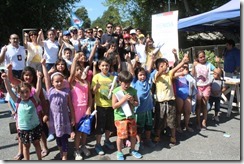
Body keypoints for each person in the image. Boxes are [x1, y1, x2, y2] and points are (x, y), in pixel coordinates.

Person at [2, 70, 43, 160]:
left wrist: (39, 78)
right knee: (26, 147)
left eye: (27, 92)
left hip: (35, 127)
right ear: (18, 93)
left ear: (30, 91)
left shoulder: (33, 99)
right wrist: (5, 80)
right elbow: (9, 89)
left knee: (37, 144)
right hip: (23, 129)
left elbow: (38, 89)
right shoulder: (17, 100)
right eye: (22, 92)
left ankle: (40, 160)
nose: (25, 94)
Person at [41, 59, 75, 160]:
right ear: (52, 82)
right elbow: (46, 78)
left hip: (64, 118)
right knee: (58, 138)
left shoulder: (66, 92)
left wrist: (72, 118)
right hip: (54, 119)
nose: (59, 83)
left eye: (61, 81)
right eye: (56, 81)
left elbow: (71, 106)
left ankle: (64, 155)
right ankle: (61, 151)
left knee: (64, 138)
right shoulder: (50, 90)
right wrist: (43, 65)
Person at [152, 54, 189, 146]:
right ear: (157, 68)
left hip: (171, 102)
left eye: (166, 65)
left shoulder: (169, 74)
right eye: (161, 66)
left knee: (172, 121)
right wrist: (162, 67)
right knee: (159, 121)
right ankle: (157, 135)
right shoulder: (156, 76)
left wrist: (183, 62)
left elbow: (176, 68)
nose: (165, 67)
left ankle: (173, 136)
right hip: (160, 103)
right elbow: (158, 72)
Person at [127, 53, 155, 151]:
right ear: (137, 76)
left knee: (148, 126)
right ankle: (139, 142)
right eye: (140, 75)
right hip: (139, 110)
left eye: (143, 75)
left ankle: (148, 139)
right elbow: (131, 72)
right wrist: (129, 61)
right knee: (139, 128)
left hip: (148, 109)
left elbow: (149, 69)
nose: (142, 76)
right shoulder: (134, 82)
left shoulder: (147, 80)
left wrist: (151, 58)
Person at [112, 70, 142, 160]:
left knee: (133, 134)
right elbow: (114, 106)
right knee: (121, 136)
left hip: (131, 116)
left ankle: (132, 150)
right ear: (120, 81)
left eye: (129, 83)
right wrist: (124, 99)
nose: (127, 85)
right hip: (120, 118)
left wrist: (133, 101)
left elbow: (137, 103)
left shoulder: (133, 91)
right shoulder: (116, 91)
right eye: (124, 83)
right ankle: (119, 152)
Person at [68, 52, 92, 160]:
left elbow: (90, 97)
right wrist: (74, 60)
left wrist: (89, 108)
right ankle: (76, 150)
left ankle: (83, 146)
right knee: (78, 131)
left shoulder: (86, 82)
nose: (79, 72)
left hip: (85, 110)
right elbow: (72, 74)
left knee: (85, 130)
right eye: (77, 70)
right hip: (76, 110)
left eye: (80, 70)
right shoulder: (72, 82)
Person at [91, 57, 116, 155]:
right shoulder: (96, 77)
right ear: (99, 67)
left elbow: (116, 90)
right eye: (103, 65)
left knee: (109, 125)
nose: (105, 67)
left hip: (110, 105)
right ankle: (97, 144)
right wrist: (95, 88)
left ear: (109, 66)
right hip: (100, 105)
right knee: (100, 126)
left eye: (107, 65)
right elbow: (92, 91)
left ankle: (107, 140)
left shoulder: (113, 78)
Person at [191, 50, 216, 130]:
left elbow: (217, 71)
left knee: (205, 104)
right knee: (198, 105)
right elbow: (193, 74)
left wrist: (218, 64)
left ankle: (204, 121)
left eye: (203, 56)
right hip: (198, 86)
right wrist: (194, 66)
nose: (202, 58)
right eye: (200, 57)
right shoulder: (196, 65)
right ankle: (198, 121)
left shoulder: (209, 64)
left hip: (206, 85)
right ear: (197, 58)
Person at [173, 62, 194, 133]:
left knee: (188, 111)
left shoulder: (187, 76)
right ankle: (178, 126)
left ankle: (187, 125)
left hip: (187, 95)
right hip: (179, 95)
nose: (181, 68)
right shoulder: (175, 76)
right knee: (178, 112)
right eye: (180, 67)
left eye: (182, 67)